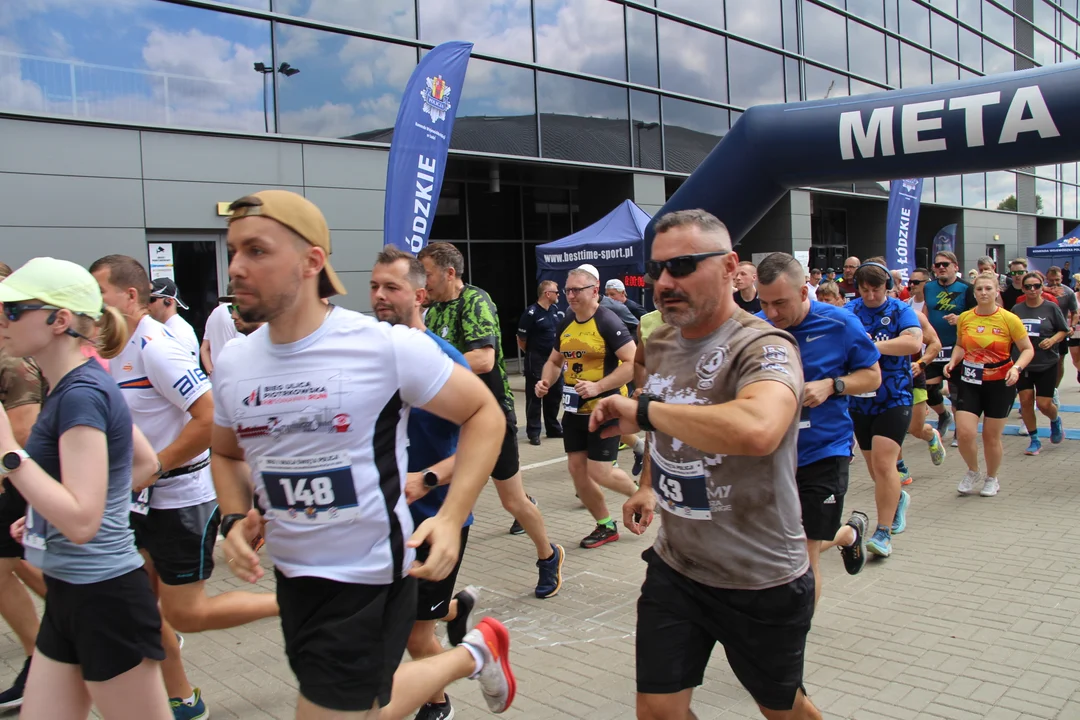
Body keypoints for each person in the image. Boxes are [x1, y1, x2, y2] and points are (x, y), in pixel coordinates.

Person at [213, 191, 517, 720]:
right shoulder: (235, 361)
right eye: (233, 250)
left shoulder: (382, 347)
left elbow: (486, 416)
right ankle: (475, 652)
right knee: (370, 707)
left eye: (256, 251)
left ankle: (471, 653)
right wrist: (237, 515)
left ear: (312, 263)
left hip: (369, 577)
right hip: (292, 578)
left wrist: (449, 517)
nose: (236, 266)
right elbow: (226, 453)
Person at [592, 209, 821, 720]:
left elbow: (759, 429)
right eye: (657, 271)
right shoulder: (660, 342)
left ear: (729, 266)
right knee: (656, 711)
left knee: (782, 710)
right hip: (678, 566)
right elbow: (664, 426)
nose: (665, 282)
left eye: (683, 266)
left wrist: (643, 409)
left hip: (760, 577)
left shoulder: (763, 345)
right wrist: (647, 483)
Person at [91, 254, 276, 720]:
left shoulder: (157, 348)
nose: (92, 306)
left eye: (100, 294)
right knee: (140, 607)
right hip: (141, 501)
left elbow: (209, 416)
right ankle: (183, 700)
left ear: (130, 297)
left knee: (185, 614)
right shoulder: (112, 350)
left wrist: (155, 466)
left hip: (181, 500)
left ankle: (297, 603)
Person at [0, 257, 172, 720]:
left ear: (58, 320)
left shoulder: (80, 394)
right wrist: (42, 511)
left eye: (12, 310)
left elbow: (81, 521)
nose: (2, 321)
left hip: (105, 598)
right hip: (72, 593)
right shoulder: (74, 386)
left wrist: (7, 452)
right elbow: (143, 462)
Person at [369, 246, 481, 720]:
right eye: (373, 286)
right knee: (397, 625)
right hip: (379, 521)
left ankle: (438, 704)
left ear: (419, 295)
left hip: (433, 519)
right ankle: (454, 610)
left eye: (390, 287)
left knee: (414, 636)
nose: (378, 296)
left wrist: (428, 478)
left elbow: (485, 438)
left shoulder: (441, 357)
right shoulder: (370, 354)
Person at [418, 242, 564, 597]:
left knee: (512, 501)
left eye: (428, 273)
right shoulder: (433, 310)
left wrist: (429, 369)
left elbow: (483, 359)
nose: (423, 281)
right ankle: (433, 582)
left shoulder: (476, 302)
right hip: (452, 421)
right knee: (438, 492)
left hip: (490, 420)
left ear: (450, 273)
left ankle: (548, 555)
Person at [756, 252, 881, 607]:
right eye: (765, 303)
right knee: (780, 543)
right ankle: (846, 534)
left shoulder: (840, 323)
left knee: (804, 553)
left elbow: (872, 376)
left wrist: (832, 385)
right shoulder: (756, 326)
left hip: (824, 451)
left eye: (780, 303)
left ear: (803, 292)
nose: (773, 313)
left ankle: (792, 641)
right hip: (770, 453)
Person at [535, 267, 638, 549]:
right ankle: (605, 525)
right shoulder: (566, 321)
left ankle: (639, 494)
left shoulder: (607, 320)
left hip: (605, 407)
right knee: (577, 471)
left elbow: (632, 363)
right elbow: (555, 361)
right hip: (574, 411)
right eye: (567, 290)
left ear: (595, 290)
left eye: (577, 290)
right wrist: (544, 381)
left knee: (600, 471)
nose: (570, 295)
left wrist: (598, 386)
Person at [846, 259, 923, 558]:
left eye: (875, 290)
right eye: (864, 290)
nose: (870, 296)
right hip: (860, 399)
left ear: (887, 287)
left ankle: (883, 532)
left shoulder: (900, 310)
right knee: (875, 469)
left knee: (883, 463)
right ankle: (898, 497)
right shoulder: (850, 311)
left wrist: (873, 347)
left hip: (895, 397)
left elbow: (912, 343)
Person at [0, 263, 46, 710]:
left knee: (3, 568)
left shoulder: (12, 359)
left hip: (13, 479)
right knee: (13, 563)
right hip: (15, 477)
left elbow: (24, 429)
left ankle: (41, 659)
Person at [946, 273, 1034, 497]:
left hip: (1000, 383)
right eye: (979, 289)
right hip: (970, 381)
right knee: (965, 433)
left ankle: (992, 478)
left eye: (988, 289)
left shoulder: (1008, 319)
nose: (983, 293)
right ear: (974, 293)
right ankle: (973, 471)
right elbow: (959, 345)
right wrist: (953, 360)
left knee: (990, 437)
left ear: (997, 292)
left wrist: (1017, 368)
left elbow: (1027, 349)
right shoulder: (965, 318)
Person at [922, 251, 976, 448]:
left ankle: (959, 432)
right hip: (935, 346)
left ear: (955, 266)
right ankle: (943, 415)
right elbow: (927, 311)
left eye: (945, 264)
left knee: (957, 392)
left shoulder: (967, 288)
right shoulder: (928, 287)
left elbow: (978, 315)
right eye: (937, 265)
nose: (941, 268)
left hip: (959, 347)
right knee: (925, 387)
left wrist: (960, 318)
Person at [1010, 271, 1068, 455]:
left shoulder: (1050, 307)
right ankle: (1034, 440)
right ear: (1023, 288)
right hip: (1024, 364)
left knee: (1044, 404)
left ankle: (1055, 420)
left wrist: (1052, 340)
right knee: (1026, 402)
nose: (1032, 289)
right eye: (1028, 286)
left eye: (1036, 286)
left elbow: (1063, 330)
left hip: (1046, 362)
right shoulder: (1017, 310)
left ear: (1042, 287)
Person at [516, 281, 564, 446]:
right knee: (535, 396)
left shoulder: (555, 311)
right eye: (556, 292)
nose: (559, 294)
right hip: (536, 359)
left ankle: (552, 428)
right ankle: (534, 432)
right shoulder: (531, 313)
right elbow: (521, 339)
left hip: (554, 360)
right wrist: (530, 353)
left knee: (555, 394)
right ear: (547, 294)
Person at [1044, 266, 1077, 397]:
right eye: (1051, 280)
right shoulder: (1041, 291)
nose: (1054, 283)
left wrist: (1072, 327)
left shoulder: (1068, 292)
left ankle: (1054, 390)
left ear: (1062, 278)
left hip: (1060, 331)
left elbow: (1075, 313)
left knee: (1059, 361)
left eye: (1057, 280)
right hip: (1043, 331)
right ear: (1047, 279)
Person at [147, 279, 198, 360]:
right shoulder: (164, 328)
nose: (147, 305)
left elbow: (186, 368)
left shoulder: (180, 332)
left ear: (169, 301)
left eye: (151, 300)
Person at [198, 291, 239, 377]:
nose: (233, 315)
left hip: (218, 380)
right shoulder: (240, 315)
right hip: (234, 378)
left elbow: (204, 348)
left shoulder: (214, 312)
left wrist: (212, 374)